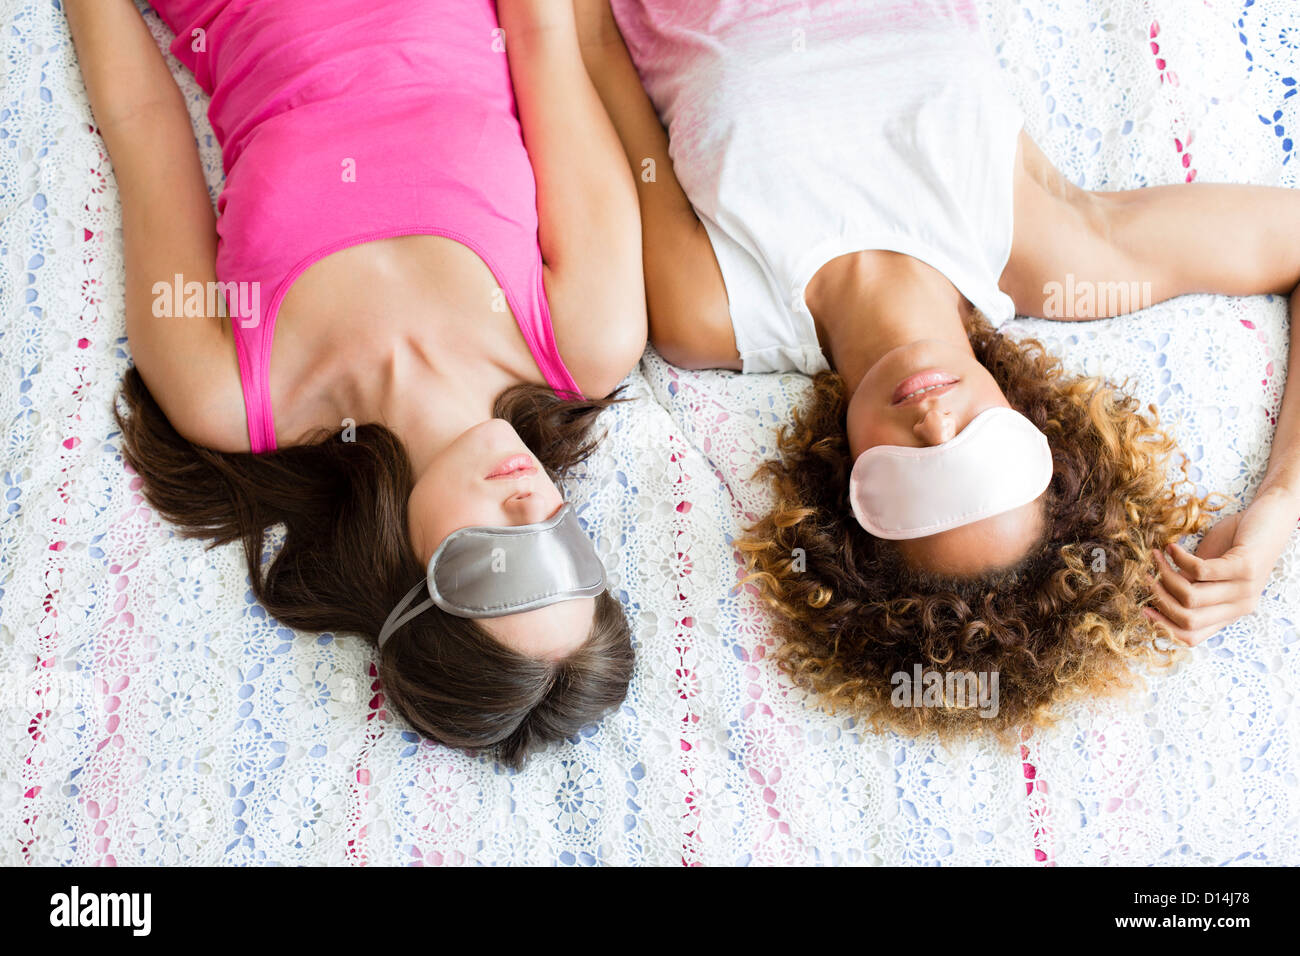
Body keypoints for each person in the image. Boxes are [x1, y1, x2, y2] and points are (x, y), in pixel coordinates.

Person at [575, 0, 1300, 738]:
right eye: (983, 459)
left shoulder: (709, 311)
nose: (936, 423)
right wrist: (1280, 503)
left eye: (920, 482)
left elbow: (596, 50)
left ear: (844, 502)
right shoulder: (1050, 255)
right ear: (1040, 429)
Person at [65, 0, 647, 767]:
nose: (532, 502)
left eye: (498, 561)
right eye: (566, 544)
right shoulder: (589, 333)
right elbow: (543, 37)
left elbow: (143, 123)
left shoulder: (230, 395)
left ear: (403, 577)